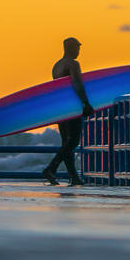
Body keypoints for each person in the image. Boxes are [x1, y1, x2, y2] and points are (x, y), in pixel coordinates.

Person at [42, 37, 94, 187]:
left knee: (66, 143)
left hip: (60, 108)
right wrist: (85, 103)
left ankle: (74, 177)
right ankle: (51, 168)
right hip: (72, 107)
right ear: (71, 48)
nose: (79, 51)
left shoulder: (56, 66)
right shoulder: (73, 64)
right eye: (78, 48)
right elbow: (77, 84)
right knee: (73, 142)